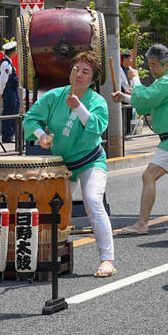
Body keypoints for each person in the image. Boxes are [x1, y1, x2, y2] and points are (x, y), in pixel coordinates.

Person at [24, 51, 115, 277]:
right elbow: (31, 118)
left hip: (90, 160)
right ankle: (44, 253)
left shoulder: (97, 101)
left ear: (93, 78)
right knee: (52, 207)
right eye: (76, 69)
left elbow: (96, 128)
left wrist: (78, 107)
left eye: (86, 72)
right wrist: (41, 135)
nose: (80, 75)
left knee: (93, 201)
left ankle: (107, 260)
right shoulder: (54, 96)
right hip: (61, 163)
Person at [112, 44, 168, 235]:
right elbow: (151, 101)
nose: (151, 68)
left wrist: (136, 79)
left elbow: (146, 98)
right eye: (149, 64)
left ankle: (142, 223)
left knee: (148, 176)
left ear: (166, 64)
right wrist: (124, 97)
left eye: (155, 64)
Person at [0, 40, 20, 144]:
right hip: (9, 91)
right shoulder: (6, 64)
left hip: (13, 91)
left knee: (14, 112)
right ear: (12, 52)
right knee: (8, 113)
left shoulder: (8, 62)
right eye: (15, 51)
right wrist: (1, 92)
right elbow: (3, 80)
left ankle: (11, 135)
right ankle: (7, 136)